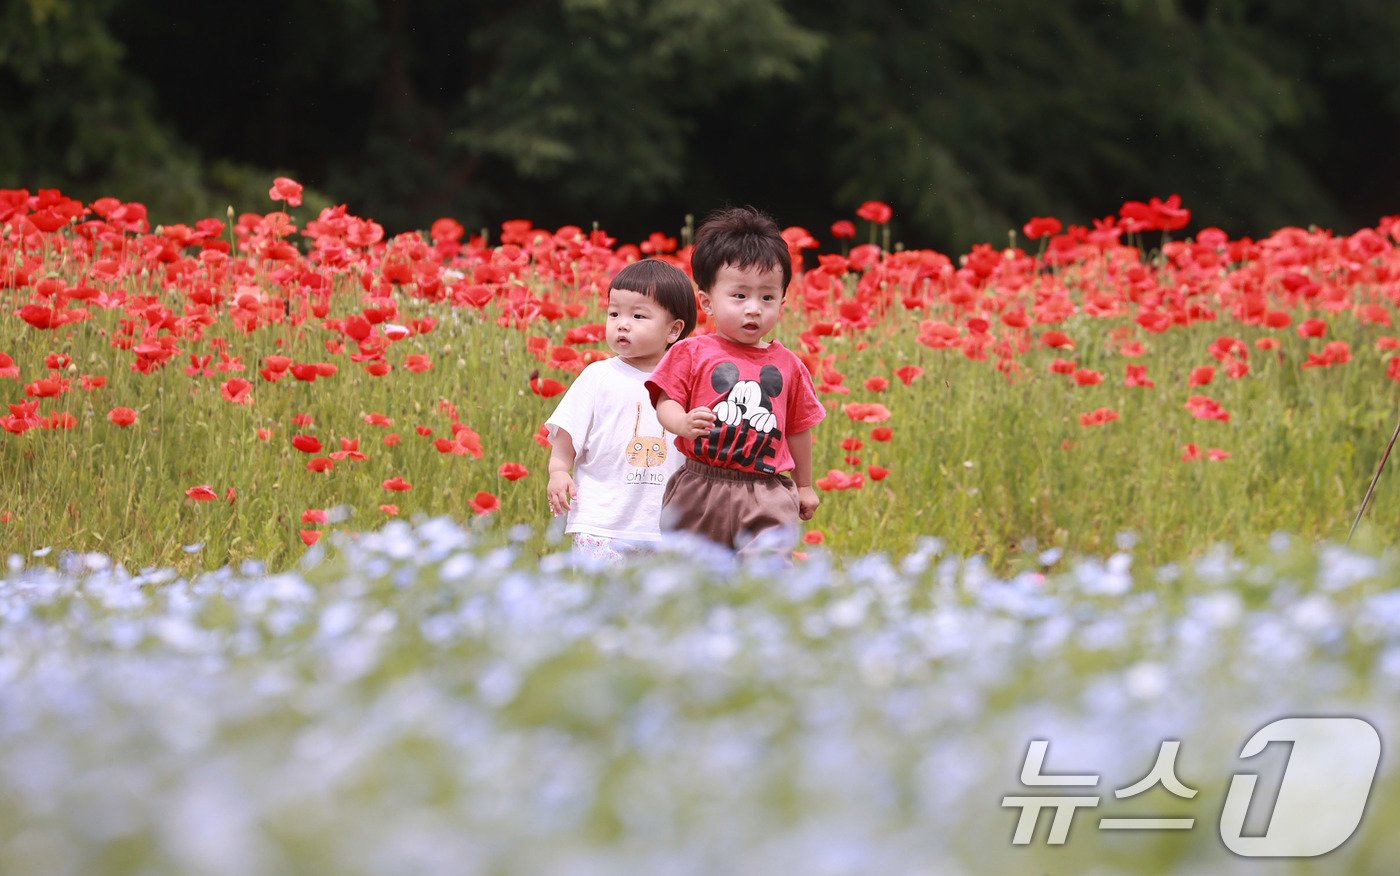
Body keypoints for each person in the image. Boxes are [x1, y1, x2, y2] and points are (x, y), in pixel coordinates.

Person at [646, 205, 825, 557]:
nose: (754, 308)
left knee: (768, 574)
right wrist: (681, 423)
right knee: (690, 572)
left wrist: (804, 485)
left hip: (767, 491)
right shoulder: (692, 352)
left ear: (782, 302)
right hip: (700, 485)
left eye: (767, 297)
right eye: (739, 296)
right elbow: (665, 400)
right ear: (707, 302)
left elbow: (799, 428)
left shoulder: (789, 365)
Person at [545, 258, 698, 565]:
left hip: (668, 526)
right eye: (614, 313)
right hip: (602, 523)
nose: (622, 323)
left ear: (673, 330)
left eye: (638, 315)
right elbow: (567, 435)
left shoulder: (688, 381)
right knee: (602, 604)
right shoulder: (598, 376)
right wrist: (558, 472)